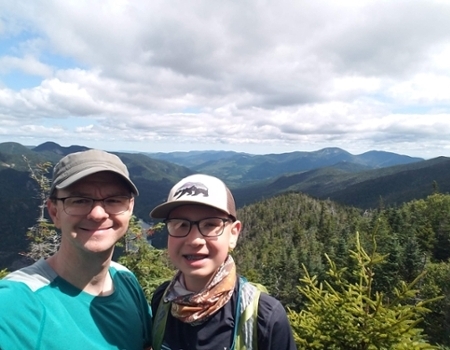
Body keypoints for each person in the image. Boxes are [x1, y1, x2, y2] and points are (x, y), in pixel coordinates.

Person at [0, 149, 152, 349]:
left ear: (129, 208)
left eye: (114, 200)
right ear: (54, 212)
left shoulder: (125, 279)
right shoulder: (16, 304)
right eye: (80, 200)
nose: (98, 214)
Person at [149, 174, 297, 350]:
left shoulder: (265, 317)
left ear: (233, 234)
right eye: (180, 224)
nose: (195, 240)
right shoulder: (162, 301)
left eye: (210, 225)